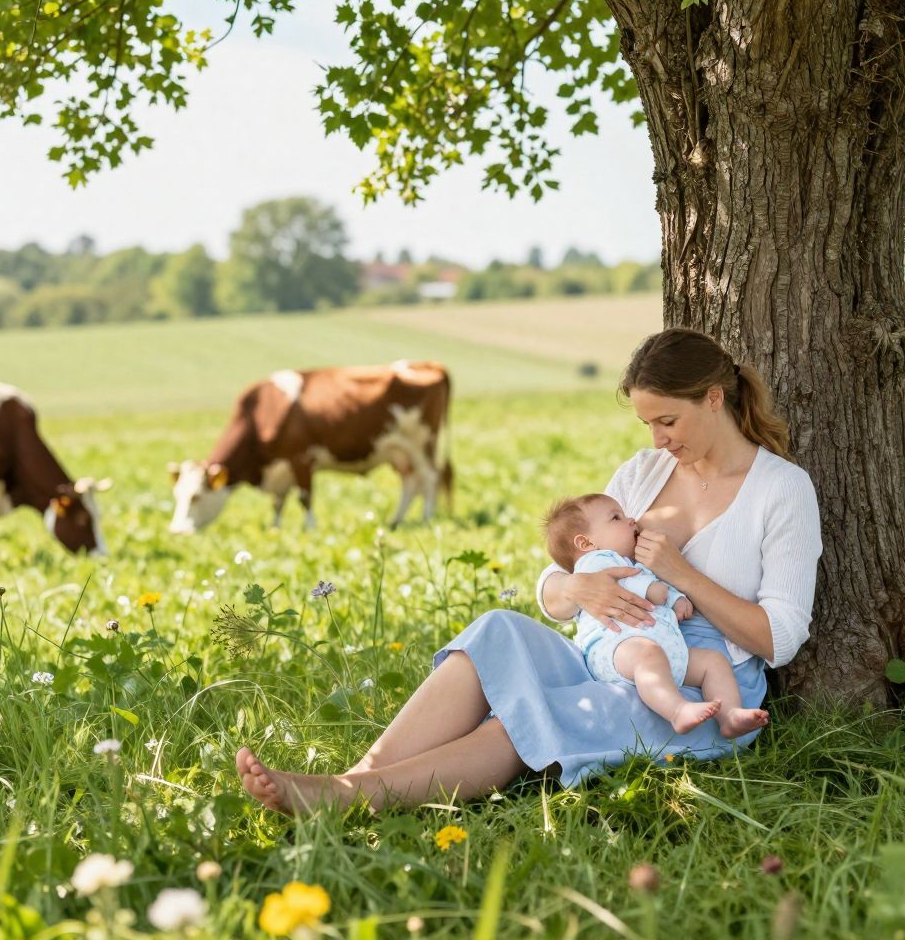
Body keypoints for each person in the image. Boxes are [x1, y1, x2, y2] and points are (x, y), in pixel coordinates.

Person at [236, 327, 820, 814]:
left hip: (699, 688)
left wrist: (682, 575)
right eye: (648, 425)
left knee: (539, 713)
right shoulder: (642, 473)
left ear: (715, 398)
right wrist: (575, 585)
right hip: (609, 654)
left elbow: (781, 639)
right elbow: (559, 577)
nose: (658, 439)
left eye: (667, 421)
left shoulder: (780, 489)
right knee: (495, 630)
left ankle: (350, 800)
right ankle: (359, 773)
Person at [543, 492, 769, 737]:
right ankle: (677, 711)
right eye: (616, 518)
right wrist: (657, 591)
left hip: (662, 649)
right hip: (618, 649)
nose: (631, 520)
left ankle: (731, 715)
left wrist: (676, 599)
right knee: (648, 656)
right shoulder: (594, 564)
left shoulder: (630, 563)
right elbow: (636, 585)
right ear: (586, 544)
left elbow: (649, 579)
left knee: (713, 662)